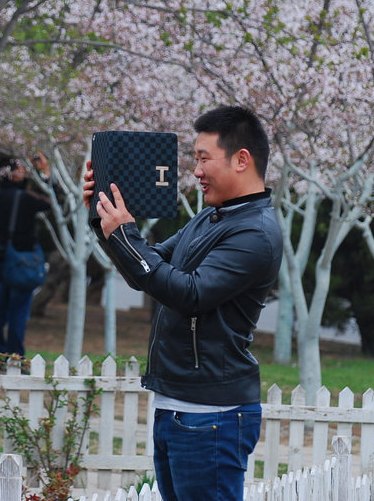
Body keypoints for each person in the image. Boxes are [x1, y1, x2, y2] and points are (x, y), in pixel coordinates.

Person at [83, 106, 282, 501]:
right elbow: (150, 269)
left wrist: (123, 236)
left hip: (211, 416)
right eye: (195, 159)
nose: (195, 171)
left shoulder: (255, 233)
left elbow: (189, 294)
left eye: (204, 158)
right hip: (177, 407)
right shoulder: (212, 218)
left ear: (242, 159)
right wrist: (103, 219)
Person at [0, 152, 53, 359]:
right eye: (22, 169)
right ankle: (16, 355)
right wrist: (46, 173)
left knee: (0, 308)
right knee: (19, 310)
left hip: (1, 258)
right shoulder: (24, 198)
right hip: (21, 261)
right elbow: (51, 202)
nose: (26, 172)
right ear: (12, 173)